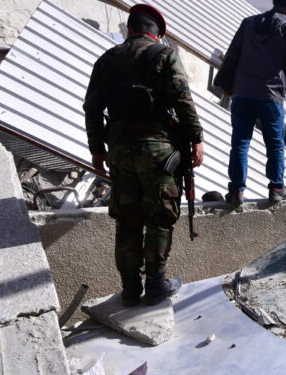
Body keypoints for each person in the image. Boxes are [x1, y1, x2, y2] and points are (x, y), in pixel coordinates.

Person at [84, 4, 204, 307]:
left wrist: (97, 149)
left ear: (131, 29)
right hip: (158, 151)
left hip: (120, 151)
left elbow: (93, 109)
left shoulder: (106, 60)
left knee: (127, 219)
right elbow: (183, 102)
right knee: (159, 217)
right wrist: (197, 139)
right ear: (156, 34)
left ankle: (129, 288)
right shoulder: (164, 55)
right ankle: (155, 284)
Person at [214, 0, 286, 205]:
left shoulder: (248, 23)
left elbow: (232, 54)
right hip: (269, 95)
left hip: (242, 93)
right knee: (275, 144)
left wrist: (225, 83)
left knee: (240, 143)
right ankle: (277, 188)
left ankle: (235, 192)